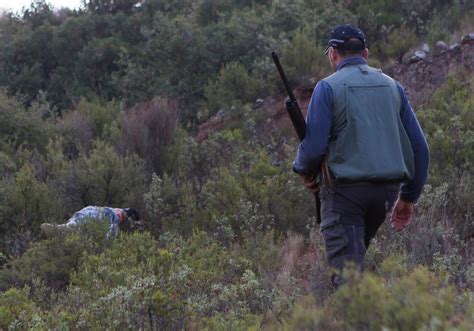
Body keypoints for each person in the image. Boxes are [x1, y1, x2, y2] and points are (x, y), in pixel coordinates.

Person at [292, 24, 429, 288]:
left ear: (332, 54)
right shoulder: (393, 87)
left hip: (345, 196)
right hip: (386, 197)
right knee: (359, 269)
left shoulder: (327, 88)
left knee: (348, 283)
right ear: (365, 53)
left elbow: (313, 149)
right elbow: (420, 149)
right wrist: (409, 197)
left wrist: (301, 169)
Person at [40, 206, 141, 238]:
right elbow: (108, 239)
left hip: (87, 212)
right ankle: (58, 230)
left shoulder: (112, 210)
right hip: (92, 219)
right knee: (73, 231)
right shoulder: (115, 219)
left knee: (70, 228)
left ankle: (56, 229)